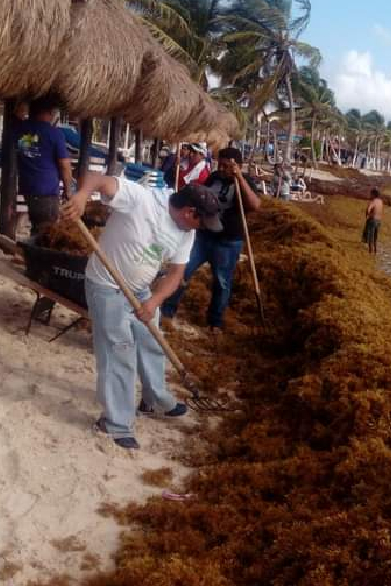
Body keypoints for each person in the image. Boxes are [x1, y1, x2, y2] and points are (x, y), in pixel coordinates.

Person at [62, 173, 222, 449]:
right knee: (118, 350)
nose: (203, 228)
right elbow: (98, 179)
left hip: (142, 291)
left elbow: (176, 274)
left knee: (150, 342)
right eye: (202, 221)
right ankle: (115, 424)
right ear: (189, 212)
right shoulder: (142, 199)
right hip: (106, 285)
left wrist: (153, 302)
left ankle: (155, 399)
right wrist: (82, 195)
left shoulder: (187, 232)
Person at [162, 147, 261, 331]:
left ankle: (214, 321)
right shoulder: (214, 177)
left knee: (222, 282)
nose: (222, 169)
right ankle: (167, 310)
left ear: (238, 166)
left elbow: (255, 205)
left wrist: (239, 177)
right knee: (184, 270)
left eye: (226, 166)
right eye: (220, 165)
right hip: (203, 237)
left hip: (228, 241)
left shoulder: (246, 181)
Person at [14, 95, 73, 235]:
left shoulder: (20, 129)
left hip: (28, 188)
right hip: (46, 191)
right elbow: (65, 165)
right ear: (49, 112)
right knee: (47, 232)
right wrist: (68, 190)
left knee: (37, 227)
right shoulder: (54, 134)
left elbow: (17, 114)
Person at [363, 188, 384, 255]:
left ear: (373, 194)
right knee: (375, 237)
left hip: (372, 220)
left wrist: (367, 215)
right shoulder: (380, 201)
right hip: (379, 220)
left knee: (370, 238)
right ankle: (375, 251)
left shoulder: (373, 201)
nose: (370, 195)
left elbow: (368, 209)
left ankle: (370, 252)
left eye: (371, 194)